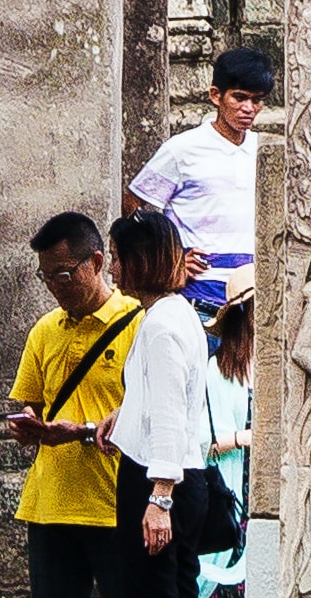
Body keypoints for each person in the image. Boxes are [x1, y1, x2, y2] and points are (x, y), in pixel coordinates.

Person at [8, 213, 145, 598]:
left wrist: (82, 432)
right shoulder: (45, 330)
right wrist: (27, 426)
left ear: (98, 263)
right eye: (46, 276)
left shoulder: (138, 322)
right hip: (50, 506)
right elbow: (32, 405)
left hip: (115, 503)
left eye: (64, 275)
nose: (54, 287)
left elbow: (149, 414)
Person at [102, 210, 220, 598]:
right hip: (184, 477)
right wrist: (125, 415)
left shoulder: (160, 326)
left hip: (159, 478)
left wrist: (159, 498)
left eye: (118, 259)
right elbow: (170, 392)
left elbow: (170, 414)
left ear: (140, 261)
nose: (113, 270)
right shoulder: (177, 313)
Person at [130, 47, 275, 316]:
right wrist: (169, 261)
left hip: (255, 298)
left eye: (256, 101)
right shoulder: (182, 149)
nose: (248, 108)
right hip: (199, 297)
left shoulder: (265, 150)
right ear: (215, 96)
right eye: (239, 97)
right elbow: (131, 207)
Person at [200, 299, 256, 596]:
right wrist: (240, 438)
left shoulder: (274, 369)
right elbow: (200, 446)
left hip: (263, 490)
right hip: (229, 492)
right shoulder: (215, 370)